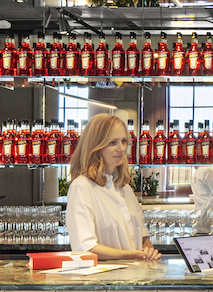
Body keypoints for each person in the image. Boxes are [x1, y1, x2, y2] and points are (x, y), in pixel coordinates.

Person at [63, 112, 160, 261]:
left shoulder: (125, 188)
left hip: (134, 278)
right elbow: (85, 247)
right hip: (102, 281)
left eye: (123, 141)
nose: (121, 148)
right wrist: (134, 255)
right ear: (95, 146)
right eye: (112, 142)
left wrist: (148, 250)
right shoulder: (82, 187)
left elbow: (143, 238)